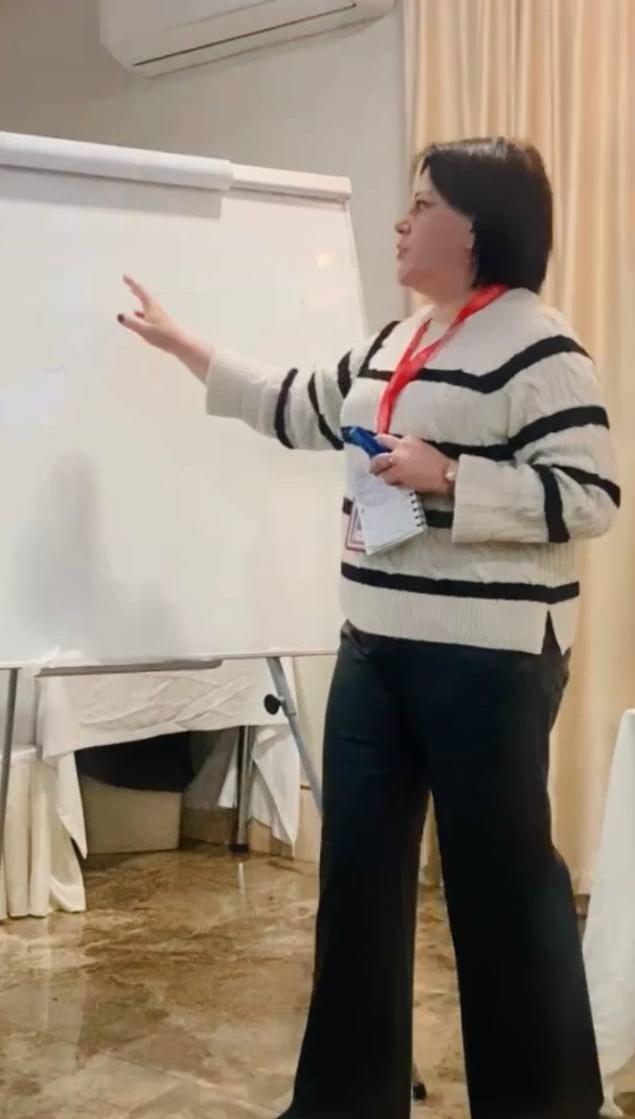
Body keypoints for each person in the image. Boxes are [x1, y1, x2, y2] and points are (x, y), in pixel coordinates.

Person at [118, 137, 619, 1119]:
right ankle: (343, 1102)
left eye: (422, 204)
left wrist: (451, 478)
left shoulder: (542, 347)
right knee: (355, 884)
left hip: (487, 663)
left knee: (501, 891)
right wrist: (185, 348)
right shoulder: (399, 340)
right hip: (373, 649)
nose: (400, 222)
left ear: (476, 229)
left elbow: (590, 498)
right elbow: (298, 404)